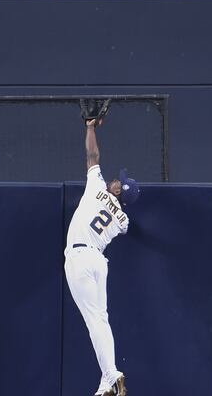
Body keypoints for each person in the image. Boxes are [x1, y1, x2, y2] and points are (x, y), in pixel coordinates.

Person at [64, 117, 140, 396]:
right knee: (101, 318)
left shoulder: (97, 187)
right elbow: (121, 216)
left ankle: (111, 374)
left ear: (119, 191)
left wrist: (89, 125)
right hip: (98, 262)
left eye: (120, 182)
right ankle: (107, 381)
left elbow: (92, 154)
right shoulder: (123, 220)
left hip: (81, 257)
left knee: (93, 319)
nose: (116, 180)